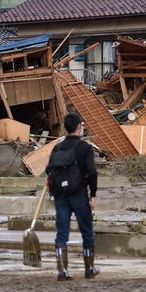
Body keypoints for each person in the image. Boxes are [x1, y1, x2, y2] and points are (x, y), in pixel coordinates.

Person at [46, 112, 99, 281]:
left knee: (62, 233)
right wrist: (93, 194)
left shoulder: (57, 147)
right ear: (79, 127)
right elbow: (91, 172)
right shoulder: (85, 148)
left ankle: (63, 271)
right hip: (79, 194)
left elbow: (49, 170)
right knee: (87, 231)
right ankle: (89, 268)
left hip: (61, 196)